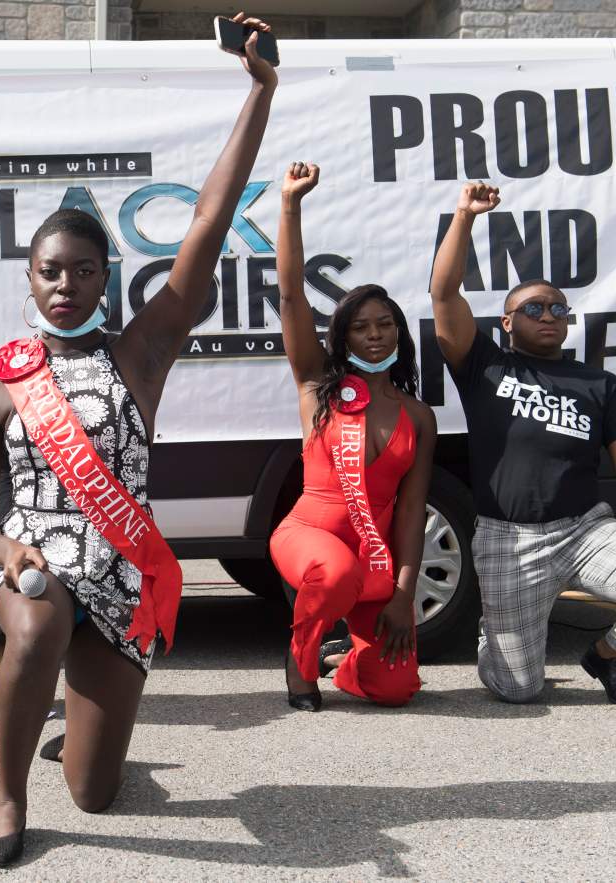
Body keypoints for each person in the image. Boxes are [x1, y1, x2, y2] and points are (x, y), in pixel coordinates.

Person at [0, 13, 277, 865]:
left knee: (99, 792)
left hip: (122, 572)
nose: (66, 285)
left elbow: (207, 223)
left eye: (84, 271)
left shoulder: (137, 355)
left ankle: (73, 744)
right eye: (50, 271)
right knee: (36, 622)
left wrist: (260, 92)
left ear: (106, 279)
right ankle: (6, 796)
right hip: (36, 564)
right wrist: (15, 553)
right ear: (29, 278)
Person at [430, 181, 616, 706]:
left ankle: (608, 656)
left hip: (585, 530)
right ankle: (502, 638)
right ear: (507, 322)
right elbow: (444, 294)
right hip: (508, 541)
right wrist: (464, 216)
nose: (550, 315)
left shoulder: (600, 385)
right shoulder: (485, 365)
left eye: (558, 308)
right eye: (535, 308)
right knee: (516, 690)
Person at [268, 162, 436, 712]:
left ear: (398, 331)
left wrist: (405, 594)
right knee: (334, 572)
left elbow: (412, 513)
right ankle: (302, 661)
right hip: (308, 539)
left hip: (375, 558)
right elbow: (291, 296)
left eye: (383, 323)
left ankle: (350, 670)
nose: (372, 335)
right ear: (343, 336)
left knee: (396, 690)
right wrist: (291, 205)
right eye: (360, 326)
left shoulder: (418, 415)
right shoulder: (318, 386)